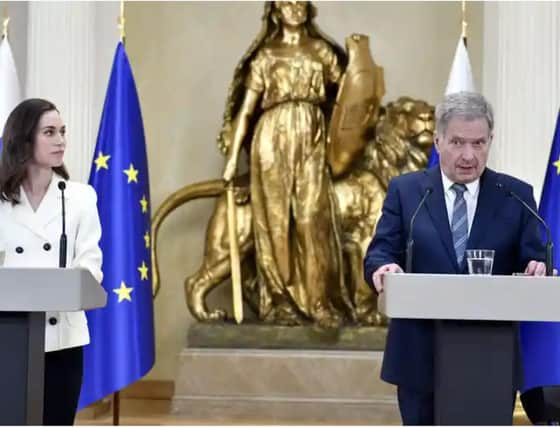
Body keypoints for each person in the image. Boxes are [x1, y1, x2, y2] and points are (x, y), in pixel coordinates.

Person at [364, 91, 546, 425]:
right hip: (420, 354)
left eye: (478, 144)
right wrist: (383, 267)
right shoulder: (407, 192)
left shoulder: (515, 195)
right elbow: (381, 250)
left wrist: (537, 268)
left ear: (490, 140)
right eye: (458, 142)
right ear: (437, 141)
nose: (468, 155)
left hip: (491, 358)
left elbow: (533, 257)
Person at [0, 98, 103, 425]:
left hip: (62, 339)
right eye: (50, 132)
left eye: (63, 131)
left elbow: (91, 264)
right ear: (24, 139)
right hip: (5, 339)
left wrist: (66, 287)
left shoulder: (81, 198)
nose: (61, 140)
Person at [221, 0, 351, 327]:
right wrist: (233, 159)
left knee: (311, 218)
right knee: (274, 222)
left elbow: (349, 97)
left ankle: (319, 301)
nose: (294, 8)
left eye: (300, 2)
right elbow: (246, 112)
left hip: (312, 134)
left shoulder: (321, 52)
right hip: (271, 136)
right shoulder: (265, 57)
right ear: (275, 10)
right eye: (286, 2)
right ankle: (280, 301)